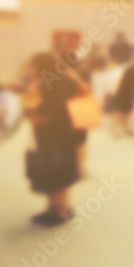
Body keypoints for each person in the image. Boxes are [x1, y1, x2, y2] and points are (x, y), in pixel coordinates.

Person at [23, 53, 86, 225]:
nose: (30, 68)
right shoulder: (62, 79)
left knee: (56, 170)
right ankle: (55, 208)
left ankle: (60, 210)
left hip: (57, 134)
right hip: (64, 134)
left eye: (33, 65)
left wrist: (34, 111)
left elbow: (54, 107)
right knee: (58, 170)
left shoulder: (52, 83)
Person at [111, 58, 134, 136]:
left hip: (126, 94)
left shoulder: (131, 70)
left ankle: (125, 129)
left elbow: (122, 81)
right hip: (125, 94)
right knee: (120, 113)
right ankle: (118, 130)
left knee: (125, 113)